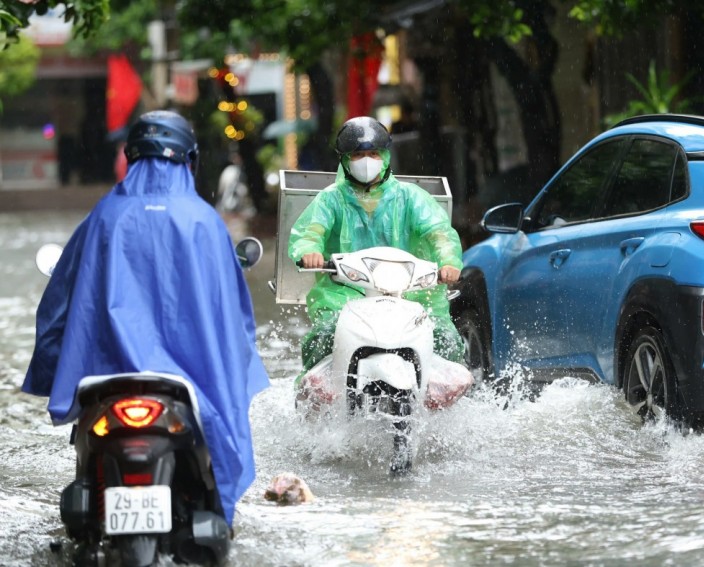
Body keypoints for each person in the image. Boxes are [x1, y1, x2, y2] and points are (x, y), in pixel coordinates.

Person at [22, 110, 270, 528]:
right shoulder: (205, 222)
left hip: (109, 384)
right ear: (188, 159)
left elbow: (57, 310)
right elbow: (236, 325)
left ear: (131, 155)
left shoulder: (103, 217)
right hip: (187, 392)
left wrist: (51, 374)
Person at [289, 115, 465, 378]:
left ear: (385, 156)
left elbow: (439, 233)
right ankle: (313, 397)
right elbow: (309, 232)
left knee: (445, 338)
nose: (367, 160)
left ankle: (445, 399)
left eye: (374, 153)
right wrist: (308, 252)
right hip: (345, 293)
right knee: (324, 336)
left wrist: (449, 262)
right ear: (345, 160)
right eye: (358, 155)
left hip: (410, 291)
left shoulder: (412, 197)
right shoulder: (330, 200)